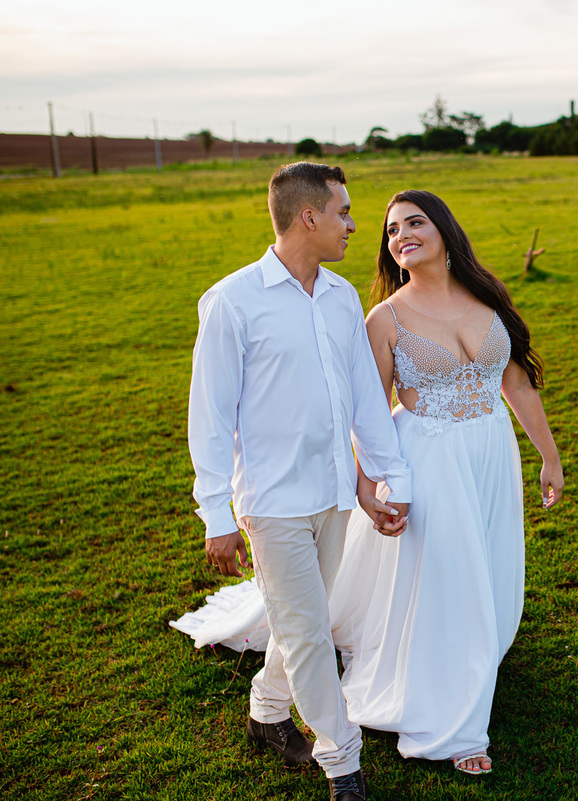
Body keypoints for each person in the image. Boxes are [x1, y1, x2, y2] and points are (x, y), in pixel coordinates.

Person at [185, 162, 411, 801]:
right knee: (311, 631)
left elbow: (366, 397)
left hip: (336, 492)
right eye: (343, 212)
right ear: (307, 217)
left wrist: (378, 480)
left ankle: (266, 711)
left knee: (302, 619)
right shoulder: (232, 301)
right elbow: (210, 415)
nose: (354, 224)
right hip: (274, 502)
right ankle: (344, 766)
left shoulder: (341, 298)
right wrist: (217, 516)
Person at [328, 190, 564, 775]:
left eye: (414, 222)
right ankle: (456, 731)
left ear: (444, 231)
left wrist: (549, 458)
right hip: (426, 459)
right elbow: (369, 413)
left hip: (489, 452)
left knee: (486, 564)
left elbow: (516, 385)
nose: (400, 235)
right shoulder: (383, 319)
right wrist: (367, 486)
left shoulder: (488, 297)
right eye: (389, 230)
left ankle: (477, 650)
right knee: (448, 579)